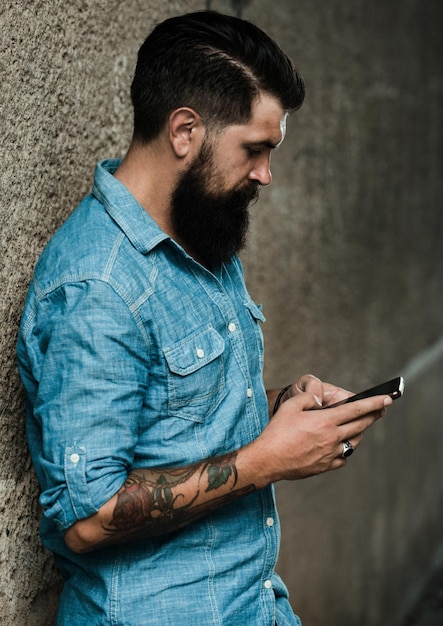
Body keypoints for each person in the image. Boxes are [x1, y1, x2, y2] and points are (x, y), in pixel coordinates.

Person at [16, 10, 393, 626]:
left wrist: (280, 410)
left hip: (254, 603)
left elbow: (174, 416)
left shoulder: (202, 235)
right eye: (256, 148)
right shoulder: (96, 285)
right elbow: (85, 518)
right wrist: (267, 460)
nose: (266, 174)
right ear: (185, 131)